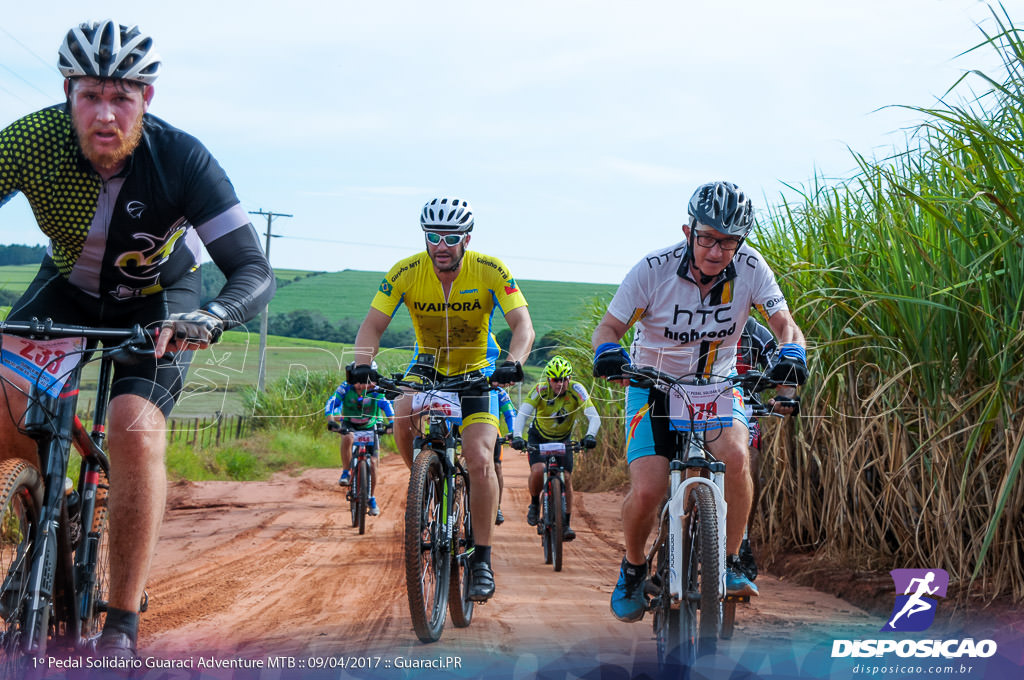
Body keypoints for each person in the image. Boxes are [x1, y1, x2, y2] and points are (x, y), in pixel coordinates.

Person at [0, 21, 275, 656]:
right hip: (65, 287)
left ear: (146, 100)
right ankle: (46, 499)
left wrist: (210, 317)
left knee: (132, 427)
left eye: (121, 97)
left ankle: (120, 623)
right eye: (90, 95)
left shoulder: (182, 158)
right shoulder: (31, 141)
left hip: (160, 302)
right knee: (4, 408)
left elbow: (253, 270)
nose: (104, 115)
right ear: (67, 92)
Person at [592, 181, 807, 623]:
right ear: (688, 231)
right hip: (654, 384)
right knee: (649, 487)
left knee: (735, 457)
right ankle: (632, 569)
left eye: (728, 241)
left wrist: (792, 353)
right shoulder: (652, 270)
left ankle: (728, 561)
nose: (716, 250)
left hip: (716, 386)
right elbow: (607, 328)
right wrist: (608, 352)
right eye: (707, 237)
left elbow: (784, 323)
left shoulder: (751, 267)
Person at [351, 197, 534, 602]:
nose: (442, 245)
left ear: (466, 237)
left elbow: (522, 325)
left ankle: (482, 559)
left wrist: (513, 362)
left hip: (477, 369)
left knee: (480, 458)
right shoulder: (405, 271)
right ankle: (424, 482)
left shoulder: (490, 269)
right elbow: (372, 325)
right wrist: (362, 364)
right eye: (433, 237)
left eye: (451, 237)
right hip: (428, 366)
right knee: (401, 409)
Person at [734, 316, 799, 580]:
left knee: (752, 465)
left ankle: (743, 540)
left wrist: (785, 395)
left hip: (743, 412)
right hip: (693, 409)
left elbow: (781, 365)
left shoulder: (753, 331)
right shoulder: (688, 321)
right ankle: (670, 543)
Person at [509, 355, 600, 541]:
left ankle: (566, 524)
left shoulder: (577, 389)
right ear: (549, 380)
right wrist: (518, 436)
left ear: (569, 378)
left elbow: (593, 415)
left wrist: (590, 435)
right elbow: (523, 415)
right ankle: (534, 504)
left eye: (564, 379)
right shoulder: (539, 390)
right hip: (539, 437)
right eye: (556, 380)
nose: (560, 384)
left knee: (566, 477)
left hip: (563, 438)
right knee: (538, 470)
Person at [325, 362, 395, 516]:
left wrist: (392, 423)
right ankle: (346, 472)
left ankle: (371, 497)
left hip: (370, 425)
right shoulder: (345, 387)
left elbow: (387, 405)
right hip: (351, 423)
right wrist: (331, 420)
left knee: (374, 463)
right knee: (347, 437)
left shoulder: (376, 390)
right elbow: (332, 403)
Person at [493, 386, 516, 525]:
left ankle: (497, 507)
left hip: (489, 429)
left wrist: (513, 431)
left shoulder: (497, 390)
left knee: (496, 467)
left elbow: (510, 413)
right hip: (461, 427)